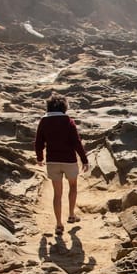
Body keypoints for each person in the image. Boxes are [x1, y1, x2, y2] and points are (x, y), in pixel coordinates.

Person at [34, 93, 89, 234]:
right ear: (64, 107)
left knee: (57, 194)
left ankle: (58, 224)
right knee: (73, 186)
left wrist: (40, 158)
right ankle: (71, 215)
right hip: (69, 160)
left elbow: (39, 142)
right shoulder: (68, 121)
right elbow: (76, 142)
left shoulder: (43, 121)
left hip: (52, 160)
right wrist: (84, 159)